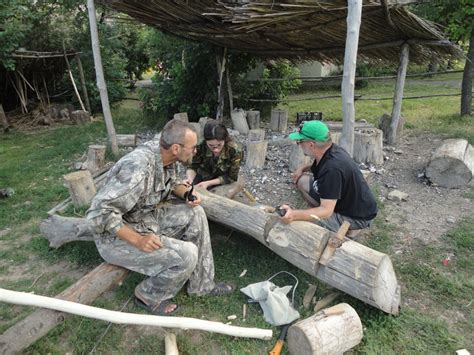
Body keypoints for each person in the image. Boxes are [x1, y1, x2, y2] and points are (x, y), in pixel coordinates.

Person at [86, 119, 232, 316]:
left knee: (195, 213)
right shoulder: (137, 168)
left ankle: (201, 285)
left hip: (146, 218)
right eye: (192, 148)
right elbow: (98, 213)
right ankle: (149, 294)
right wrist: (138, 240)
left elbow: (172, 183)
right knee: (186, 255)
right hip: (115, 238)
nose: (195, 152)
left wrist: (186, 194)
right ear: (175, 148)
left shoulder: (164, 155)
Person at [280, 120, 377, 233]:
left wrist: (294, 215)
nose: (300, 145)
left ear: (311, 144)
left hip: (356, 216)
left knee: (300, 225)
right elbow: (319, 165)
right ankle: (327, 214)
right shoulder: (330, 151)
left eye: (300, 141)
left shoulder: (332, 169)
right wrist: (303, 168)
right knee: (302, 182)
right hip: (343, 202)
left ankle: (346, 227)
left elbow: (326, 211)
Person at [185, 119, 243, 191]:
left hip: (222, 180)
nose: (216, 150)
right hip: (203, 177)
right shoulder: (199, 146)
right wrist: (190, 180)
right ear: (206, 141)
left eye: (219, 145)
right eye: (211, 145)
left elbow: (232, 177)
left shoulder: (234, 150)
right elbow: (192, 166)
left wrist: (208, 183)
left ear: (225, 139)